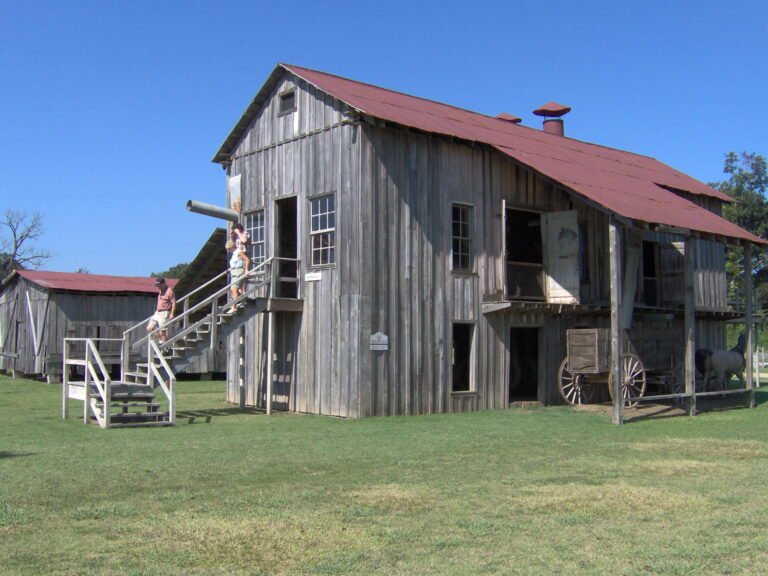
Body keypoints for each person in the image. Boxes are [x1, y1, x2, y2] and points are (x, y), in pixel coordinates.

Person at [146, 277, 176, 344]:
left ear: (163, 283)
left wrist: (172, 313)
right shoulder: (160, 291)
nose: (158, 287)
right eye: (157, 285)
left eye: (159, 285)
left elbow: (173, 302)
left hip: (165, 312)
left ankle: (165, 345)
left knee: (163, 331)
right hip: (157, 312)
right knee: (149, 328)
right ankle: (162, 340)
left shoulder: (169, 291)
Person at [226, 240, 246, 313]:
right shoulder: (234, 254)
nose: (228, 250)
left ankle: (233, 307)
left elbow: (247, 260)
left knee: (234, 289)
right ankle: (243, 301)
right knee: (234, 289)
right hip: (234, 272)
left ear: (232, 247)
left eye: (229, 249)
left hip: (239, 272)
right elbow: (235, 263)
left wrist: (246, 270)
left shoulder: (238, 252)